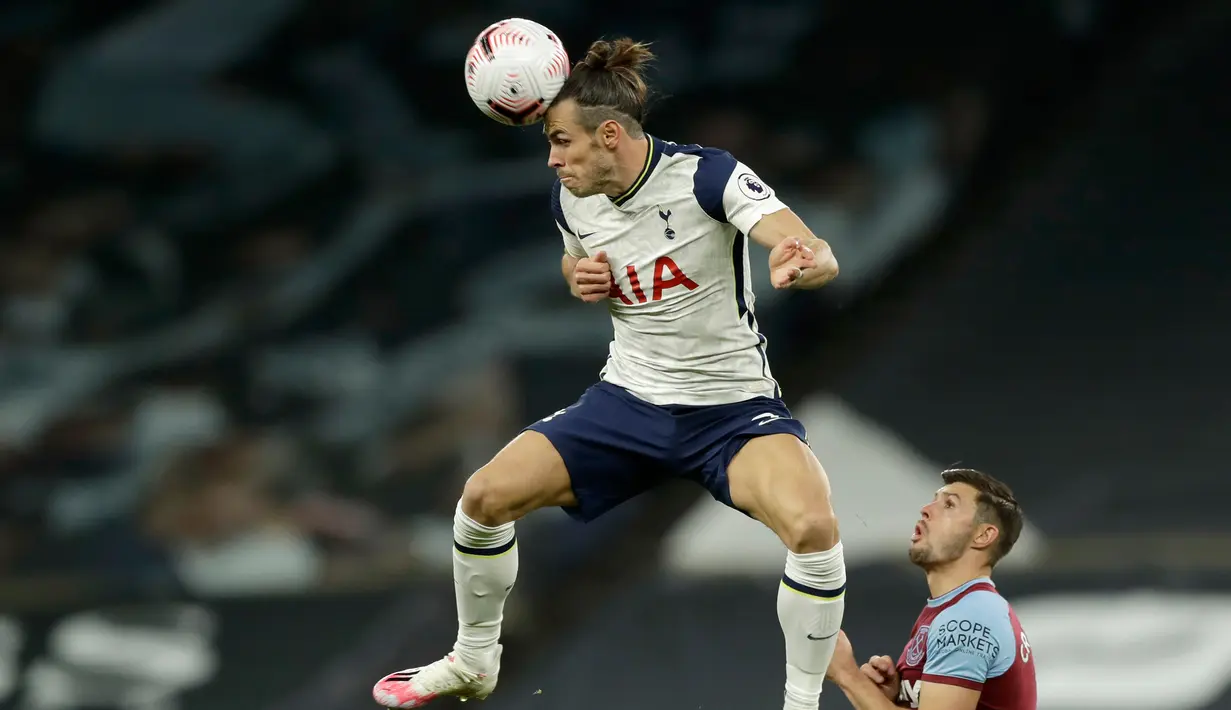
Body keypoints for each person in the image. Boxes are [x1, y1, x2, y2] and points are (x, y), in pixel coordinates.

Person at [373, 37, 843, 710]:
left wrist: (802, 260)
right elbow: (577, 262)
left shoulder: (707, 177)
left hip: (730, 412)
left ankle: (801, 704)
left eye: (561, 142)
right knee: (481, 500)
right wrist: (580, 277)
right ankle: (474, 660)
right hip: (628, 403)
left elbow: (804, 241)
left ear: (611, 135)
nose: (552, 159)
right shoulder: (574, 201)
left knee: (812, 530)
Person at [825, 469, 1037, 710]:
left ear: (983, 535)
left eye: (948, 505)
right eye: (934, 500)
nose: (926, 509)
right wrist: (900, 698)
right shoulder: (950, 609)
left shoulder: (969, 616)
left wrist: (848, 675)